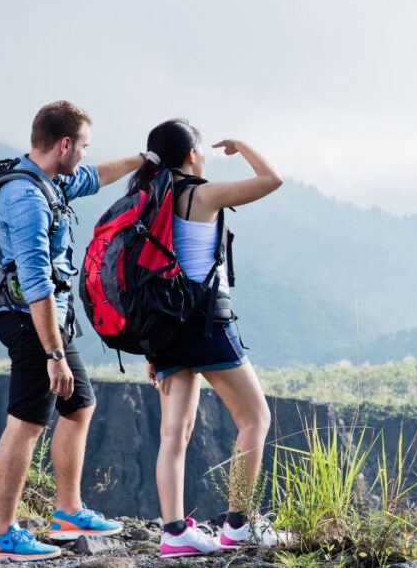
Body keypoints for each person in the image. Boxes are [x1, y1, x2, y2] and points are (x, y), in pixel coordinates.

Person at [0, 101, 148, 562]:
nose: (87, 155)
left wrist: (144, 160)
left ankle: (68, 512)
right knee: (28, 421)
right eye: (84, 146)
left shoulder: (49, 180)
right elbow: (35, 281)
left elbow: (95, 177)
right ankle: (0, 535)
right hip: (28, 319)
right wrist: (53, 354)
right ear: (65, 144)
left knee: (79, 404)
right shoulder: (27, 198)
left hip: (45, 320)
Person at [129, 119, 284, 558]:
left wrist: (150, 344)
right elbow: (272, 180)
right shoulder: (202, 193)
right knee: (255, 419)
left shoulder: (147, 199)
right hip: (207, 326)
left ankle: (174, 533)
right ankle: (238, 524)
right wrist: (244, 145)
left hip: (165, 329)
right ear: (192, 154)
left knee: (173, 433)